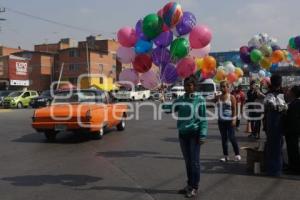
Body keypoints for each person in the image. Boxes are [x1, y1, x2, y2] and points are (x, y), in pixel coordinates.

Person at [162, 75, 207, 198]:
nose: (187, 87)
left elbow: (203, 119)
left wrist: (203, 134)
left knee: (195, 162)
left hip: (194, 134)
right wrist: (163, 102)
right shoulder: (181, 99)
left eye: (189, 85)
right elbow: (170, 109)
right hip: (183, 135)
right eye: (185, 85)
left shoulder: (200, 99)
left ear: (194, 86)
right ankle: (189, 185)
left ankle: (195, 187)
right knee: (188, 162)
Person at [264, 74, 287, 176]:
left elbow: (268, 106)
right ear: (280, 83)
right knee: (277, 146)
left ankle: (272, 168)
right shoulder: (282, 94)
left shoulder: (269, 94)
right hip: (277, 121)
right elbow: (283, 107)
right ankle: (276, 169)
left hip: (271, 121)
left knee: (272, 145)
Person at [216, 81, 241, 162]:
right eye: (221, 86)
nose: (222, 88)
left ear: (228, 87)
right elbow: (213, 103)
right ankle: (226, 156)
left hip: (229, 120)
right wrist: (214, 98)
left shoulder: (231, 97)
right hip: (221, 121)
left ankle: (237, 154)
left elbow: (234, 109)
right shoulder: (219, 97)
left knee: (232, 137)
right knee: (224, 139)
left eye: (224, 86)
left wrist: (234, 119)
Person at [283, 85, 300, 174]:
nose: (288, 92)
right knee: (291, 148)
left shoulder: (296, 104)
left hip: (293, 130)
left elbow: (292, 118)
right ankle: (292, 166)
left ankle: (295, 168)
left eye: (290, 91)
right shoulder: (293, 102)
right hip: (292, 129)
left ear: (293, 93)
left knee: (293, 149)